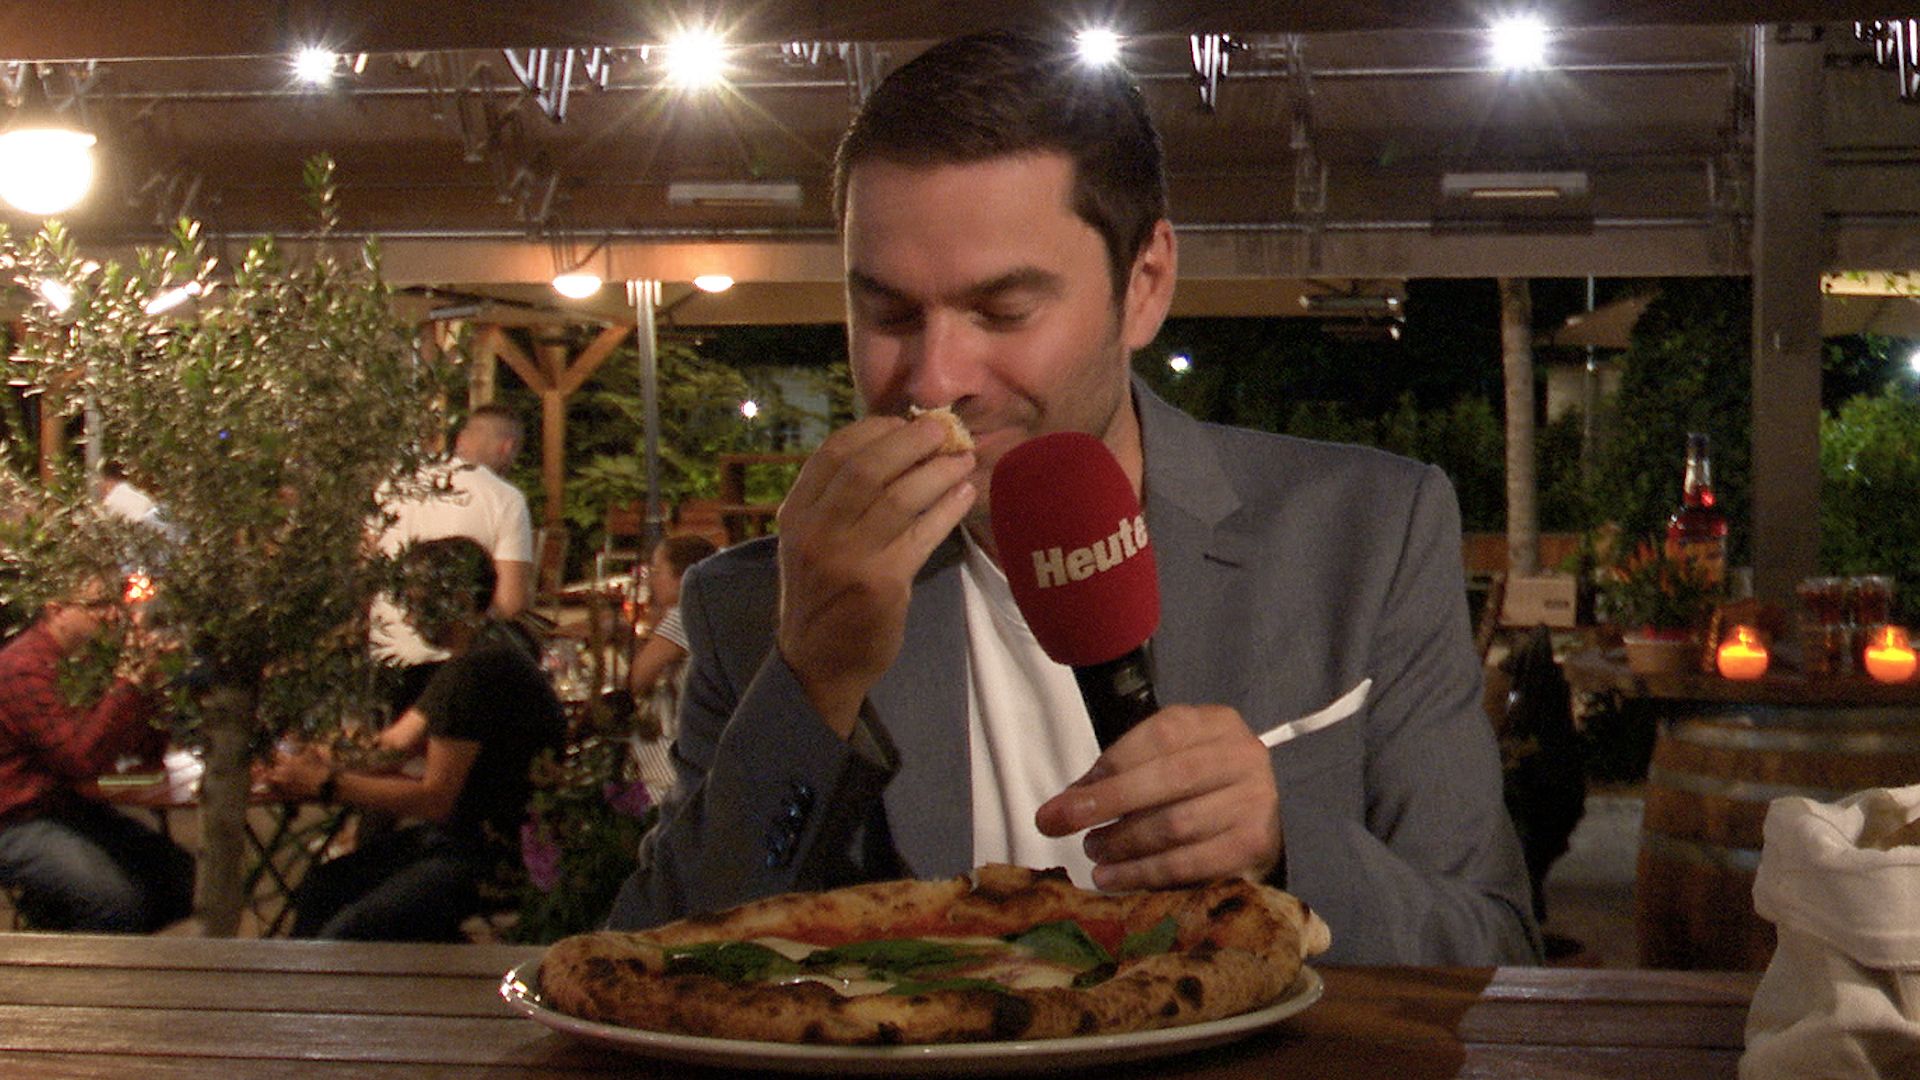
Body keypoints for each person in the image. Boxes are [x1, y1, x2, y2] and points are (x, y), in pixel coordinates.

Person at [606, 30, 1540, 966]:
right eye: (888, 314)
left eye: (1004, 312)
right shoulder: (752, 607)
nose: (935, 379)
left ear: (1146, 285)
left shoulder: (1369, 532)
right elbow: (647, 970)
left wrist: (1290, 844)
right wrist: (813, 681)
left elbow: (1493, 951)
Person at [269, 536, 565, 941]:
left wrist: (326, 784)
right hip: (470, 842)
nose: (409, 616)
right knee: (325, 886)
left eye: (416, 601)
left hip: (490, 858)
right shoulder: (493, 646)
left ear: (458, 598)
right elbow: (394, 744)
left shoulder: (477, 672)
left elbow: (434, 798)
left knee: (345, 935)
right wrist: (314, 754)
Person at [0, 583, 194, 932]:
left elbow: (143, 752)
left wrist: (153, 683)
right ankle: (66, 954)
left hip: (64, 806)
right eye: (97, 605)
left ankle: (63, 926)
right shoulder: (23, 668)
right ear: (56, 610)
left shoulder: (87, 662)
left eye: (114, 603)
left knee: (181, 879)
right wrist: (128, 680)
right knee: (115, 903)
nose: (111, 614)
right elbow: (80, 757)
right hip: (16, 820)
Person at [369, 405, 536, 712]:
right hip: (455, 664)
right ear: (508, 447)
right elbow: (511, 601)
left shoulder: (393, 485)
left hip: (387, 651)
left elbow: (364, 563)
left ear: (460, 440)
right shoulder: (504, 498)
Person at [625, 534, 718, 803]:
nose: (651, 581)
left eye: (656, 572)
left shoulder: (684, 615)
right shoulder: (712, 611)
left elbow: (635, 680)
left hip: (670, 765)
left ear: (682, 578)